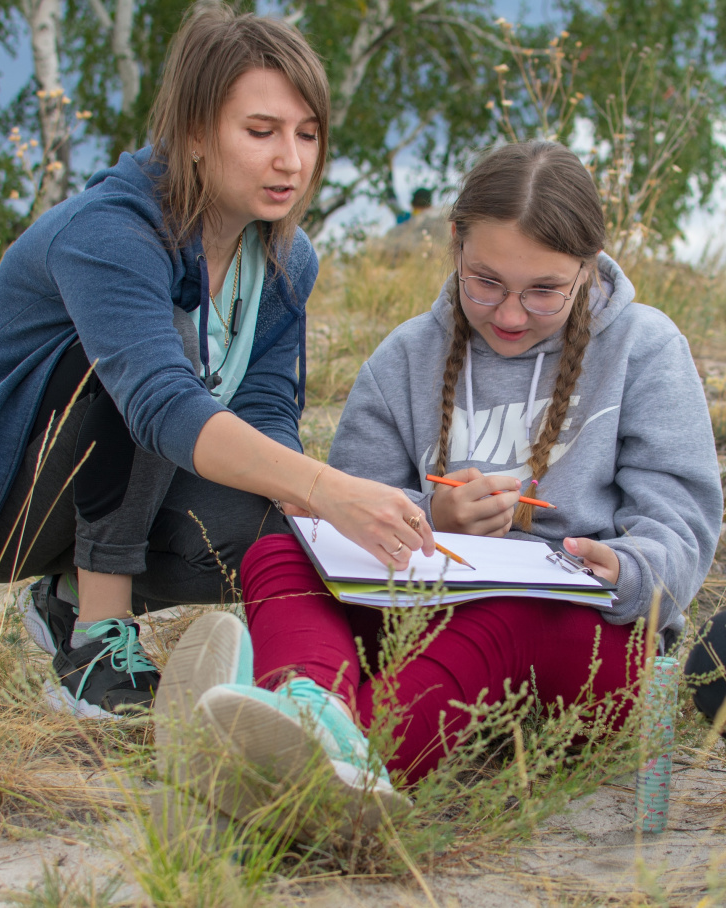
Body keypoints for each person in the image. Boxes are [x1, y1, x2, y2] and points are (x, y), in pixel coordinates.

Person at [0, 4, 434, 720]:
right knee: (163, 358)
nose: (291, 161)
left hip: (104, 480)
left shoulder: (283, 258)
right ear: (195, 134)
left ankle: (67, 596)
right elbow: (159, 402)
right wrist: (329, 487)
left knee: (272, 535)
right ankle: (97, 638)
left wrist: (301, 500)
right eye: (261, 131)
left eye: (308, 134)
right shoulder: (110, 231)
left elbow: (266, 409)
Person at [156, 140, 723, 823]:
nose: (511, 315)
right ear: (454, 243)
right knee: (278, 553)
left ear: (588, 267)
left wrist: (627, 568)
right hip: (428, 622)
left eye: (545, 291)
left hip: (593, 649)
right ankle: (312, 709)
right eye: (486, 282)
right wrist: (435, 517)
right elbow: (343, 521)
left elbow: (683, 526)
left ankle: (325, 767)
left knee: (516, 609)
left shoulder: (644, 346)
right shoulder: (405, 357)